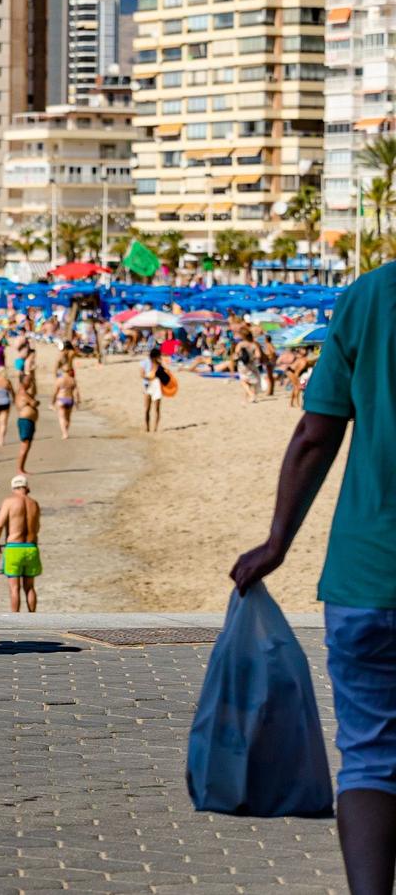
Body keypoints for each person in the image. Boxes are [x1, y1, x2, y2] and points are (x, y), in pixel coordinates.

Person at [232, 262, 396, 890]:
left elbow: (315, 434)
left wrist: (279, 541)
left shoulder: (370, 296)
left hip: (368, 576)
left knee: (371, 762)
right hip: (365, 580)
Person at [0, 475, 41, 612]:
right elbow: (37, 527)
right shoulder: (34, 503)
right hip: (31, 547)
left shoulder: (9, 502)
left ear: (13, 488)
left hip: (14, 547)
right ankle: (32, 616)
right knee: (30, 587)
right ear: (27, 488)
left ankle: (16, 619)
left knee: (14, 588)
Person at [13, 379, 40, 477]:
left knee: (26, 445)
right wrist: (36, 402)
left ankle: (22, 468)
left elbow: (34, 392)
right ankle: (19, 469)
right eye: (29, 381)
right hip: (25, 421)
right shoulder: (23, 394)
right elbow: (33, 403)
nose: (30, 383)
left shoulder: (20, 394)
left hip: (27, 421)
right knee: (25, 445)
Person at [52, 367, 78, 440]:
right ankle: (65, 430)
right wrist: (77, 402)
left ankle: (64, 433)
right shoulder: (72, 380)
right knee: (68, 418)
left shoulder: (59, 380)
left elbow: (55, 392)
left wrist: (53, 401)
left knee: (61, 417)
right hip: (70, 399)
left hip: (61, 399)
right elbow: (76, 392)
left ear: (62, 371)